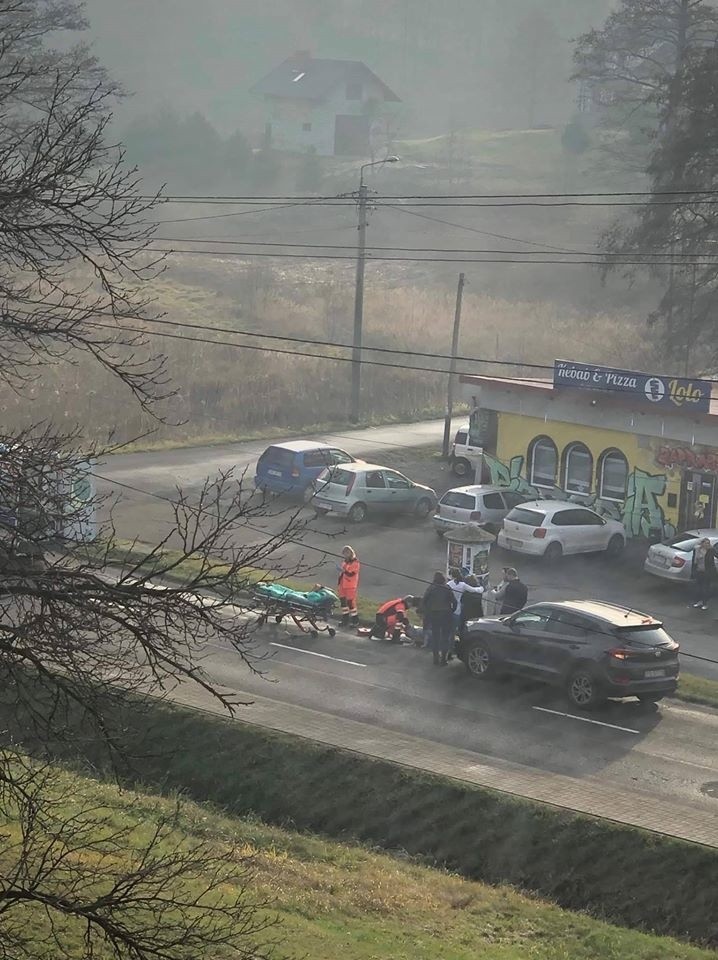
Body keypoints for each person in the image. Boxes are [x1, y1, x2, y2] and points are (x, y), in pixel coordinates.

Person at [422, 571, 456, 665]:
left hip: (434, 615)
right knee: (445, 637)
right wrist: (451, 610)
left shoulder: (431, 588)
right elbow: (455, 602)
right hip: (446, 615)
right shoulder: (447, 588)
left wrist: (428, 612)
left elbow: (424, 601)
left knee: (435, 637)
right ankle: (443, 659)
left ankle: (435, 658)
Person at [447, 567, 484, 637]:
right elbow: (474, 590)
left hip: (451, 610)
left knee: (450, 630)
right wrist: (482, 588)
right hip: (461, 611)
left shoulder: (449, 584)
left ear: (451, 575)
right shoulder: (463, 585)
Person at [691, 538, 717, 611]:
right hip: (699, 571)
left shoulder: (711, 550)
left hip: (707, 572)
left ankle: (705, 603)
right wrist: (693, 572)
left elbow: (716, 555)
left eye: (708, 543)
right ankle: (699, 601)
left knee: (705, 588)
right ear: (702, 544)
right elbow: (694, 561)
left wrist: (712, 549)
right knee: (698, 588)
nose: (707, 545)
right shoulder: (697, 550)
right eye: (706, 543)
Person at [337, 545, 360, 627]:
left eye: (346, 554)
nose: (345, 556)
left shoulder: (355, 563)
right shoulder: (344, 562)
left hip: (350, 585)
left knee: (350, 603)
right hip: (342, 584)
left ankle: (355, 620)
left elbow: (351, 574)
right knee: (343, 602)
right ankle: (345, 619)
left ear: (350, 553)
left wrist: (343, 570)